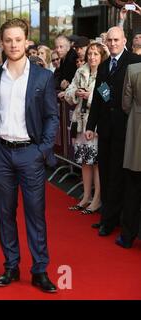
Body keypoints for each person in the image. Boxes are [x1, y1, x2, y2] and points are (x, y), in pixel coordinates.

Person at [0, 19, 59, 293]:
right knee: (4, 213)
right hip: (2, 153)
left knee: (35, 214)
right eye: (8, 40)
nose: (14, 45)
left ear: (27, 41)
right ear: (2, 43)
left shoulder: (43, 77)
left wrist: (42, 151)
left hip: (31, 153)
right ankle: (10, 266)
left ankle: (39, 269)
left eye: (18, 39)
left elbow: (52, 117)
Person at [85, 26, 141, 237]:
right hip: (106, 128)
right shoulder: (105, 65)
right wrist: (91, 126)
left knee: (120, 176)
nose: (113, 44)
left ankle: (113, 221)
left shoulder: (134, 62)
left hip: (128, 128)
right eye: (110, 40)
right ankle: (108, 217)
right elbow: (100, 96)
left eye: (116, 40)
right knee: (107, 173)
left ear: (124, 40)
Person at [65, 43, 108, 215]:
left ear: (102, 56)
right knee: (84, 161)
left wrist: (90, 95)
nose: (92, 57)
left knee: (96, 162)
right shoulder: (80, 71)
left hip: (96, 124)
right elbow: (69, 91)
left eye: (96, 54)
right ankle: (86, 197)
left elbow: (107, 98)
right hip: (80, 122)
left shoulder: (105, 72)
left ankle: (97, 199)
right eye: (90, 53)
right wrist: (76, 93)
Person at [116, 62, 141, 249]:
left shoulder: (133, 70)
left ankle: (127, 237)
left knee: (133, 187)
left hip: (136, 132)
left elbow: (125, 104)